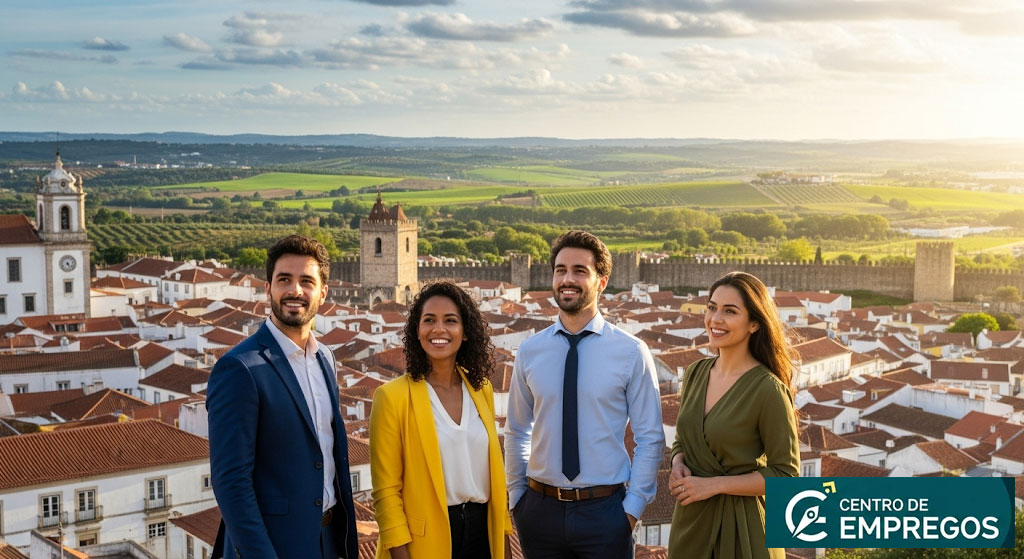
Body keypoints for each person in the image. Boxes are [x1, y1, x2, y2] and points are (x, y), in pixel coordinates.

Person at [505, 230, 665, 559]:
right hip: (538, 511)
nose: (568, 279)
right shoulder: (530, 351)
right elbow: (518, 429)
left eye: (580, 271)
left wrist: (630, 511)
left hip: (605, 513)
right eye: (561, 270)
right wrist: (517, 497)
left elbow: (650, 437)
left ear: (601, 282)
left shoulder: (632, 352)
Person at [207, 235, 358, 559]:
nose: (295, 291)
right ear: (268, 288)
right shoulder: (239, 368)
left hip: (330, 542)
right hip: (274, 547)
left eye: (307, 281)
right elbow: (231, 483)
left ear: (323, 292)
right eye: (284, 280)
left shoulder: (326, 359)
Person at [370, 281, 513, 559]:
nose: (439, 329)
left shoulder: (481, 389)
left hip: (484, 534)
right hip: (424, 543)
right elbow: (386, 493)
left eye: (450, 321)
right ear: (417, 330)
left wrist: (504, 541)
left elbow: (494, 478)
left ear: (466, 332)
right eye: (429, 321)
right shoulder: (392, 397)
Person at [667, 271, 800, 559]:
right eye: (712, 307)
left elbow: (786, 476)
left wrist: (713, 486)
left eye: (730, 311)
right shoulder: (694, 373)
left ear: (754, 323)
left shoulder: (768, 390)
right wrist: (677, 462)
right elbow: (684, 438)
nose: (715, 319)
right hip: (690, 525)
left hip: (743, 532)